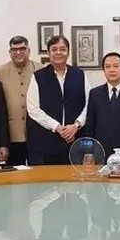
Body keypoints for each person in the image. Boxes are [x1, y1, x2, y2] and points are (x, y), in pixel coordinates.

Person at [26, 36, 91, 164]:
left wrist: (76, 125)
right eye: (54, 49)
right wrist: (56, 127)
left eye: (62, 49)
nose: (58, 52)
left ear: (68, 52)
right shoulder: (38, 77)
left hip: (74, 141)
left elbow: (89, 103)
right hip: (45, 143)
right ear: (48, 53)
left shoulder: (80, 75)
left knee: (73, 181)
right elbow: (33, 108)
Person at [0, 36, 42, 166]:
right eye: (14, 49)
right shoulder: (0, 71)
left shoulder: (41, 69)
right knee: (14, 175)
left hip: (37, 133)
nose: (18, 52)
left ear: (29, 50)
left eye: (22, 48)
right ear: (10, 52)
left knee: (38, 172)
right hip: (11, 134)